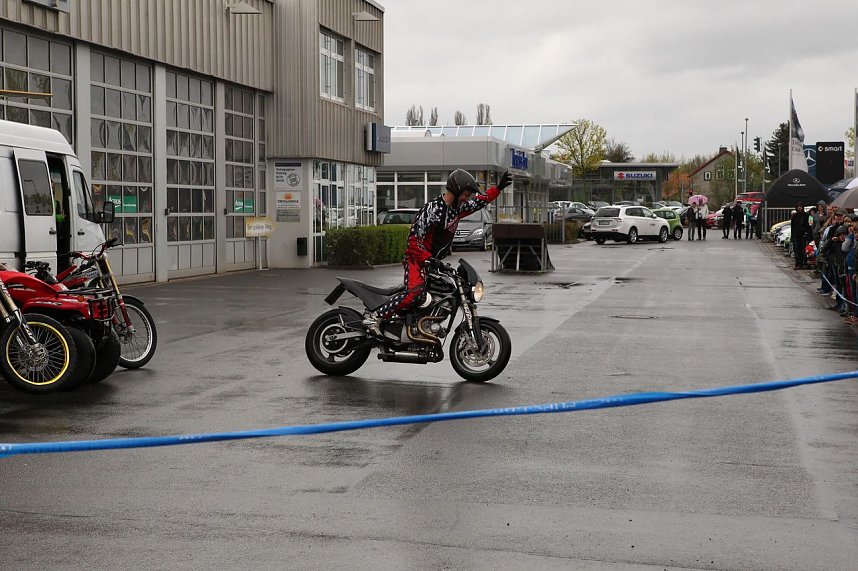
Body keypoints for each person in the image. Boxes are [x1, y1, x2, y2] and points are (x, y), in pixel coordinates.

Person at [362, 169, 511, 335]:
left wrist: (497, 188)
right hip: (416, 260)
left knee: (443, 291)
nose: (467, 198)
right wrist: (427, 258)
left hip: (431, 263)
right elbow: (413, 241)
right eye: (466, 194)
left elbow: (479, 201)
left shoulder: (457, 208)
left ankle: (421, 326)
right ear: (456, 191)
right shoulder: (432, 210)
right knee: (415, 293)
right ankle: (374, 317)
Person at [790, 204, 811, 269]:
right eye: (798, 207)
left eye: (800, 207)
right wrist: (792, 236)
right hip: (796, 235)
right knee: (797, 250)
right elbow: (792, 226)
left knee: (804, 250)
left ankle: (804, 263)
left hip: (803, 235)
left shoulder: (806, 215)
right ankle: (798, 263)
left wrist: (807, 233)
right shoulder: (794, 216)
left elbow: (809, 225)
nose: (799, 208)